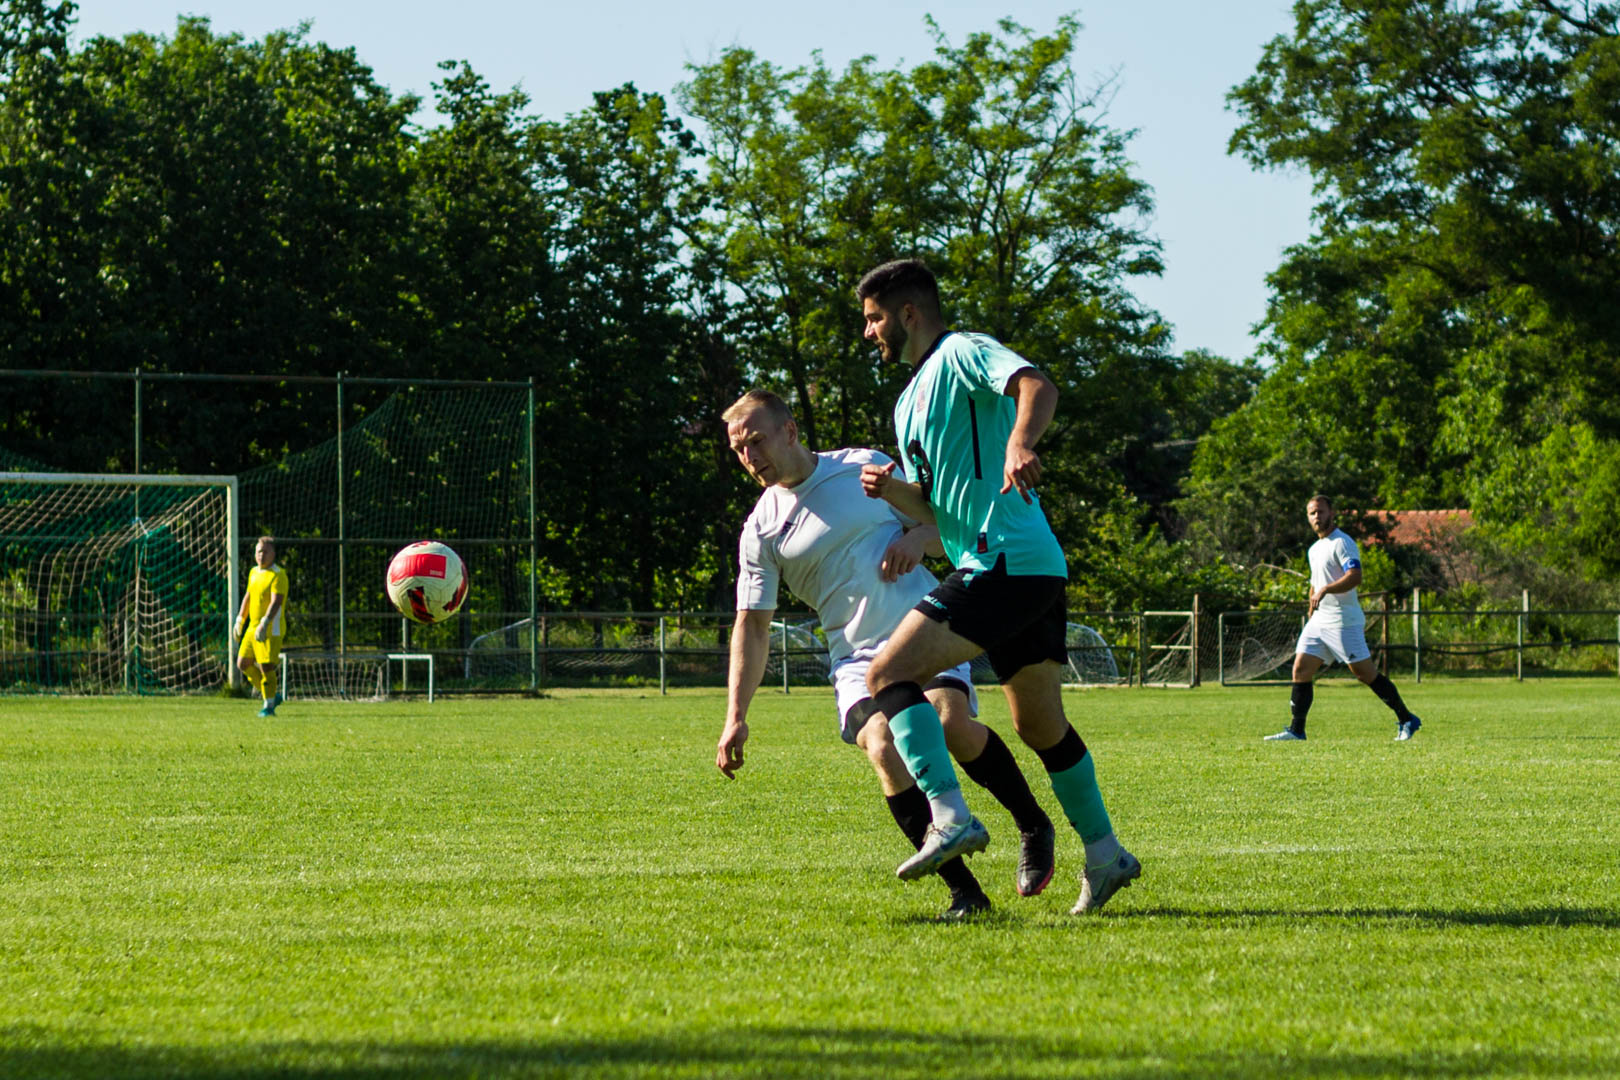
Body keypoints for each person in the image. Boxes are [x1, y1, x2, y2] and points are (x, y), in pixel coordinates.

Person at [854, 258, 1141, 915]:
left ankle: (949, 816)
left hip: (1002, 559)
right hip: (1025, 563)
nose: (868, 332)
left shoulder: (961, 351)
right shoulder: (906, 402)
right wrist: (892, 491)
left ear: (906, 314)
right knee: (1038, 724)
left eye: (873, 319)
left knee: (886, 674)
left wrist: (1020, 441)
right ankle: (1106, 855)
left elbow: (1037, 384)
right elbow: (935, 504)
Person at [715, 389, 1058, 920]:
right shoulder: (760, 529)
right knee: (882, 747)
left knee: (949, 723)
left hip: (921, 631)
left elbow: (950, 525)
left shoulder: (862, 466)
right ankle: (966, 894)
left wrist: (919, 539)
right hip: (855, 660)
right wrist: (736, 716)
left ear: (790, 431)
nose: (749, 456)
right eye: (739, 449)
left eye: (757, 441)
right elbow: (753, 625)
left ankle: (1033, 824)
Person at [1265, 495, 1423, 742]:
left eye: (1321, 511)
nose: (1317, 517)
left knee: (1365, 674)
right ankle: (1297, 730)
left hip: (1343, 621)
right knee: (1301, 669)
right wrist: (1312, 604)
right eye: (1312, 513)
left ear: (1332, 513)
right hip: (1320, 621)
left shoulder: (1342, 543)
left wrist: (1326, 590)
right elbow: (1316, 583)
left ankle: (1407, 719)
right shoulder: (1314, 549)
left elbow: (1355, 576)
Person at [233, 535, 288, 717]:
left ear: (273, 554)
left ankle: (269, 706)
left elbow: (276, 602)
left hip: (270, 628)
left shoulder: (278, 575)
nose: (261, 555)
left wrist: (265, 622)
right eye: (258, 551)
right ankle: (271, 694)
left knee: (266, 667)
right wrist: (240, 620)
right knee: (243, 663)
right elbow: (248, 596)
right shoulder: (253, 572)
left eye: (265, 552)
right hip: (252, 627)